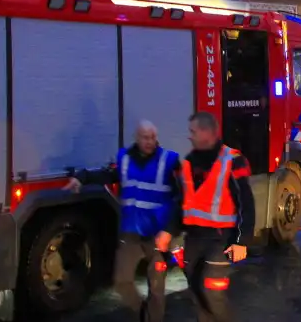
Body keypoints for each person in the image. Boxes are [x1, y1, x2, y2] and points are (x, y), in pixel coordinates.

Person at [63, 121, 179, 322]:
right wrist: (81, 178)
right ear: (136, 137)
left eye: (153, 137)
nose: (150, 141)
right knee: (121, 282)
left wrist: (170, 230)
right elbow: (106, 175)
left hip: (157, 237)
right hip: (131, 234)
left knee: (157, 290)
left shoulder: (168, 161)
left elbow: (182, 198)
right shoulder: (125, 159)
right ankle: (145, 315)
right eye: (145, 137)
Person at [160, 113, 254, 322]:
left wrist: (241, 241)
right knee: (196, 293)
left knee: (210, 289)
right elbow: (182, 204)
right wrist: (168, 231)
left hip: (222, 239)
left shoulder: (232, 161)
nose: (189, 136)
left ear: (208, 133)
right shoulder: (189, 163)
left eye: (193, 131)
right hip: (194, 238)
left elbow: (246, 203)